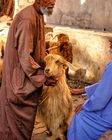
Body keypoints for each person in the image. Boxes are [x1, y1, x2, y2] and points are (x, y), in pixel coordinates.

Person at [67, 25, 112, 140]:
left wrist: (85, 105)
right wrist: (81, 90)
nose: (110, 41)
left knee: (80, 116)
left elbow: (100, 100)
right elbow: (105, 85)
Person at [0, 0, 57, 139]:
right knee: (13, 128)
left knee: (23, 128)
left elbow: (38, 50)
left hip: (27, 77)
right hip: (18, 80)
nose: (52, 4)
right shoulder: (27, 19)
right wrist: (43, 77)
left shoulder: (39, 14)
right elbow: (25, 57)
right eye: (50, 0)